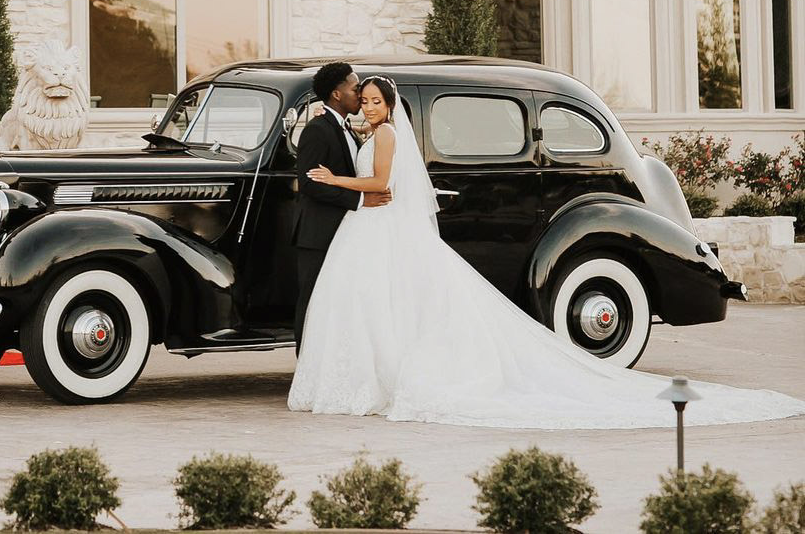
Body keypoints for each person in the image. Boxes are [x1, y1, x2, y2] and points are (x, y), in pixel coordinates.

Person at [288, 74, 805, 429]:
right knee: (383, 304)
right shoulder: (375, 131)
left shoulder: (384, 138)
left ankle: (381, 377)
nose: (369, 106)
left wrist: (337, 178)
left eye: (377, 101)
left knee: (389, 302)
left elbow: (381, 182)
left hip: (376, 224)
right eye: (367, 100)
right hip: (372, 226)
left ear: (388, 105)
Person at [291, 62, 391, 353]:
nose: (359, 93)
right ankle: (306, 369)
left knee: (339, 307)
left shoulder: (348, 128)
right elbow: (310, 184)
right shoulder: (317, 130)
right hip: (318, 234)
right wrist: (360, 200)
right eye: (355, 87)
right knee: (312, 302)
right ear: (337, 94)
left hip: (346, 233)